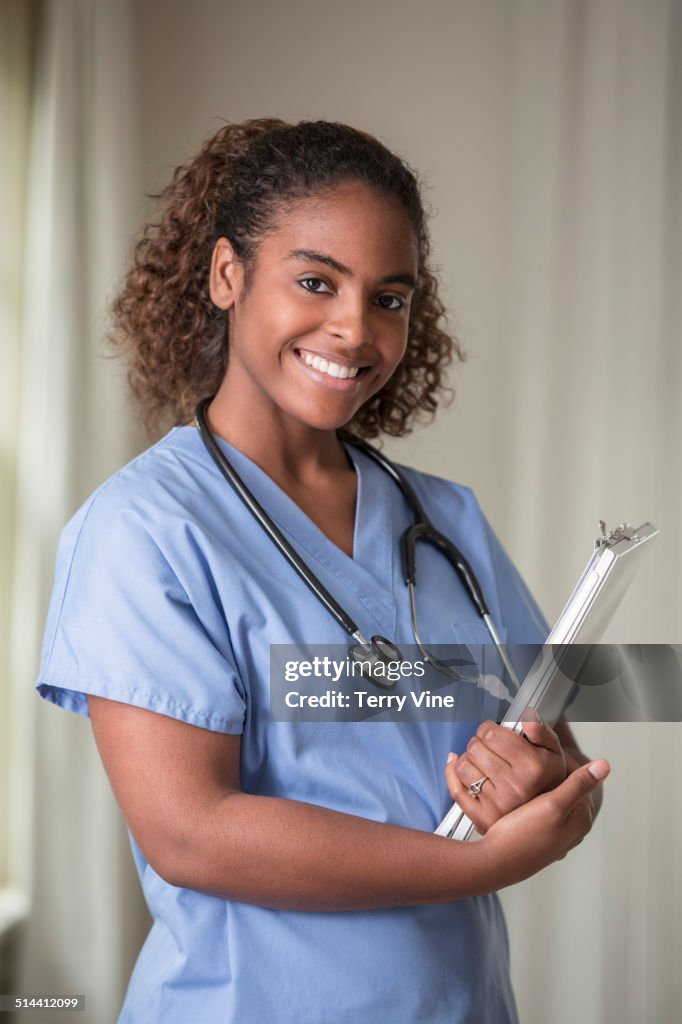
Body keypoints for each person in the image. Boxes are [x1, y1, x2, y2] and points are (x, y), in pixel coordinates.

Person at [35, 118, 609, 1023]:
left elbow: (543, 726)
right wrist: (480, 865)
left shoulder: (443, 519)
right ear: (228, 275)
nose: (355, 328)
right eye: (315, 281)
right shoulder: (143, 531)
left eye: (390, 297)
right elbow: (192, 830)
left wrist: (542, 779)